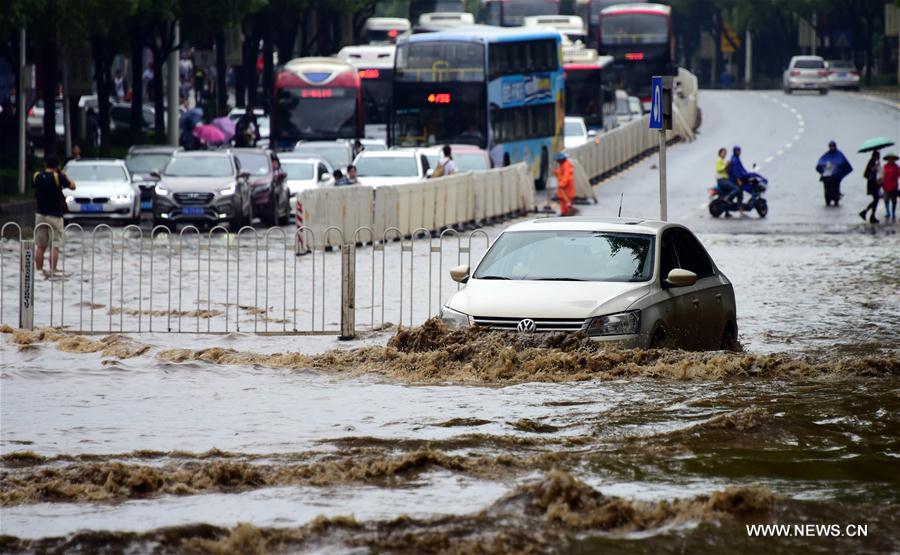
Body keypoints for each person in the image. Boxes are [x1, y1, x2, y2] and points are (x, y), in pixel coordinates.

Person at [33, 155, 75, 278]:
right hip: (55, 216)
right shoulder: (58, 177)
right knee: (54, 245)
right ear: (57, 166)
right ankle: (53, 271)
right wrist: (62, 173)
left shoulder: (37, 176)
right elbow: (73, 186)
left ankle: (39, 271)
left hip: (40, 215)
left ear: (45, 164)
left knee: (40, 246)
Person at [816, 140, 853, 206]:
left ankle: (837, 197)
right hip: (827, 176)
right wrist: (824, 167)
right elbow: (821, 162)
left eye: (833, 146)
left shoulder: (839, 154)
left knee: (836, 187)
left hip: (836, 177)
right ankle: (828, 198)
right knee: (826, 188)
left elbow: (843, 163)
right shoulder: (826, 155)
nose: (832, 148)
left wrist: (838, 169)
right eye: (831, 146)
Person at [715, 147, 741, 217]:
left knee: (724, 194)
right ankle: (727, 198)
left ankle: (727, 212)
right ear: (720, 153)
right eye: (723, 153)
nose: (724, 154)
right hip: (722, 180)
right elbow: (719, 169)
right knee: (736, 189)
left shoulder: (724, 160)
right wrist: (725, 165)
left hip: (725, 179)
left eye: (725, 153)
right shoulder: (719, 160)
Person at [860, 151, 882, 224]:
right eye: (878, 156)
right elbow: (869, 171)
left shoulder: (874, 162)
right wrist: (875, 167)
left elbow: (878, 172)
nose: (879, 157)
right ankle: (866, 213)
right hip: (872, 184)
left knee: (876, 199)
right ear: (874, 156)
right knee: (876, 199)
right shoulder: (871, 162)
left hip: (874, 183)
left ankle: (871, 215)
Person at [727, 146, 748, 216]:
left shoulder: (736, 158)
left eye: (740, 151)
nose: (739, 152)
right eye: (738, 151)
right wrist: (738, 180)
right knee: (739, 194)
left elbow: (741, 168)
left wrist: (747, 174)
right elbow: (736, 171)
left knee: (739, 195)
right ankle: (740, 210)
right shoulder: (735, 160)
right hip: (734, 180)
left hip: (735, 179)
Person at [554, 151, 575, 216]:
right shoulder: (562, 165)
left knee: (566, 200)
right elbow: (561, 173)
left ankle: (567, 213)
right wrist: (556, 172)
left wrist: (562, 184)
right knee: (562, 200)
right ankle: (564, 212)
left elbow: (566, 176)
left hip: (566, 187)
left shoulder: (566, 165)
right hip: (563, 187)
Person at [881, 153, 898, 223]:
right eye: (889, 159)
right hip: (886, 187)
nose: (891, 160)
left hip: (894, 187)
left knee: (894, 201)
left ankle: (893, 213)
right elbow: (882, 175)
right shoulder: (885, 167)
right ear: (887, 160)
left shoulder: (896, 167)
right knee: (886, 200)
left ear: (894, 160)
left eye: (892, 159)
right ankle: (888, 212)